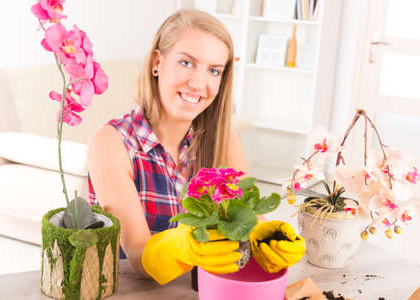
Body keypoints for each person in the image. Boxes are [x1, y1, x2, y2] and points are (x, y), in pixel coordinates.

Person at [88, 9, 304, 285]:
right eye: (187, 63)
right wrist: (186, 246)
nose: (199, 83)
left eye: (214, 70)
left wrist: (268, 238)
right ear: (157, 63)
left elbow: (249, 222)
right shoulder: (111, 143)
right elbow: (138, 255)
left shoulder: (223, 140)